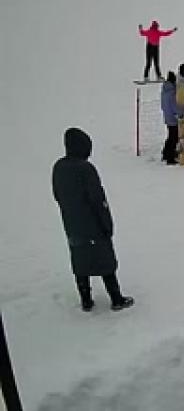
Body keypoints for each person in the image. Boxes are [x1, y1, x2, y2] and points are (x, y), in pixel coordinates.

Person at [53, 128, 135, 312]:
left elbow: (57, 194)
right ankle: (116, 298)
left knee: (79, 259)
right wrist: (107, 224)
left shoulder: (59, 167)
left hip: (71, 223)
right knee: (105, 260)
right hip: (93, 224)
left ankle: (86, 300)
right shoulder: (85, 169)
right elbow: (97, 199)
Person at [161, 72, 180, 164]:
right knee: (174, 138)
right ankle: (170, 157)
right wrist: (178, 114)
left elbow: (163, 105)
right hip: (173, 118)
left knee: (170, 136)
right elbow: (174, 106)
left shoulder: (164, 91)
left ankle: (165, 153)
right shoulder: (172, 92)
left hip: (167, 117)